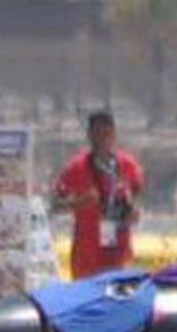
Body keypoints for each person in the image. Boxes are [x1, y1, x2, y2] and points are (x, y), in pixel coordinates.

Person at [52, 111, 145, 279]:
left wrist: (134, 212)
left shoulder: (128, 166)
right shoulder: (76, 168)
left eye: (106, 134)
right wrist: (79, 203)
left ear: (114, 134)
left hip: (119, 250)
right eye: (96, 134)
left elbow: (137, 196)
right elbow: (55, 205)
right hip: (88, 254)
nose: (102, 139)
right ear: (89, 135)